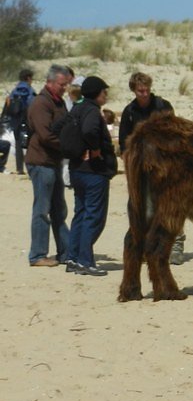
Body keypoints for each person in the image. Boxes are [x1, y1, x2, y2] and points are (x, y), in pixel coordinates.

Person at [118, 72, 184, 263]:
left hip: (165, 166)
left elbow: (176, 133)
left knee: (171, 205)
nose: (144, 93)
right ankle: (147, 245)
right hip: (140, 167)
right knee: (141, 207)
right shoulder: (129, 112)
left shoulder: (162, 106)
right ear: (134, 90)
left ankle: (177, 246)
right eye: (140, 91)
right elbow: (124, 142)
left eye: (147, 90)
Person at [64, 76, 118, 276]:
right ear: (97, 93)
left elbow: (58, 128)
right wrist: (95, 149)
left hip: (77, 169)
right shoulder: (92, 112)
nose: (106, 95)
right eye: (104, 92)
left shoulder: (75, 108)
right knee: (94, 217)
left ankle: (73, 258)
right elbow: (89, 131)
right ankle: (85, 261)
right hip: (94, 172)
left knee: (81, 213)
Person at [25, 64, 71, 267]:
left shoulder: (58, 102)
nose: (64, 88)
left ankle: (66, 251)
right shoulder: (40, 103)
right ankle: (37, 255)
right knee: (42, 210)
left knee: (58, 209)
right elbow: (45, 135)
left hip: (53, 162)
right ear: (50, 82)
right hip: (41, 161)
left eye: (66, 84)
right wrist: (69, 147)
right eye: (62, 84)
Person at [4, 69, 36, 174]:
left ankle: (19, 168)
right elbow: (32, 104)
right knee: (31, 142)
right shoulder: (29, 90)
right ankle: (31, 166)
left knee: (18, 143)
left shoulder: (15, 90)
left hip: (15, 120)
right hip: (27, 119)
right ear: (28, 78)